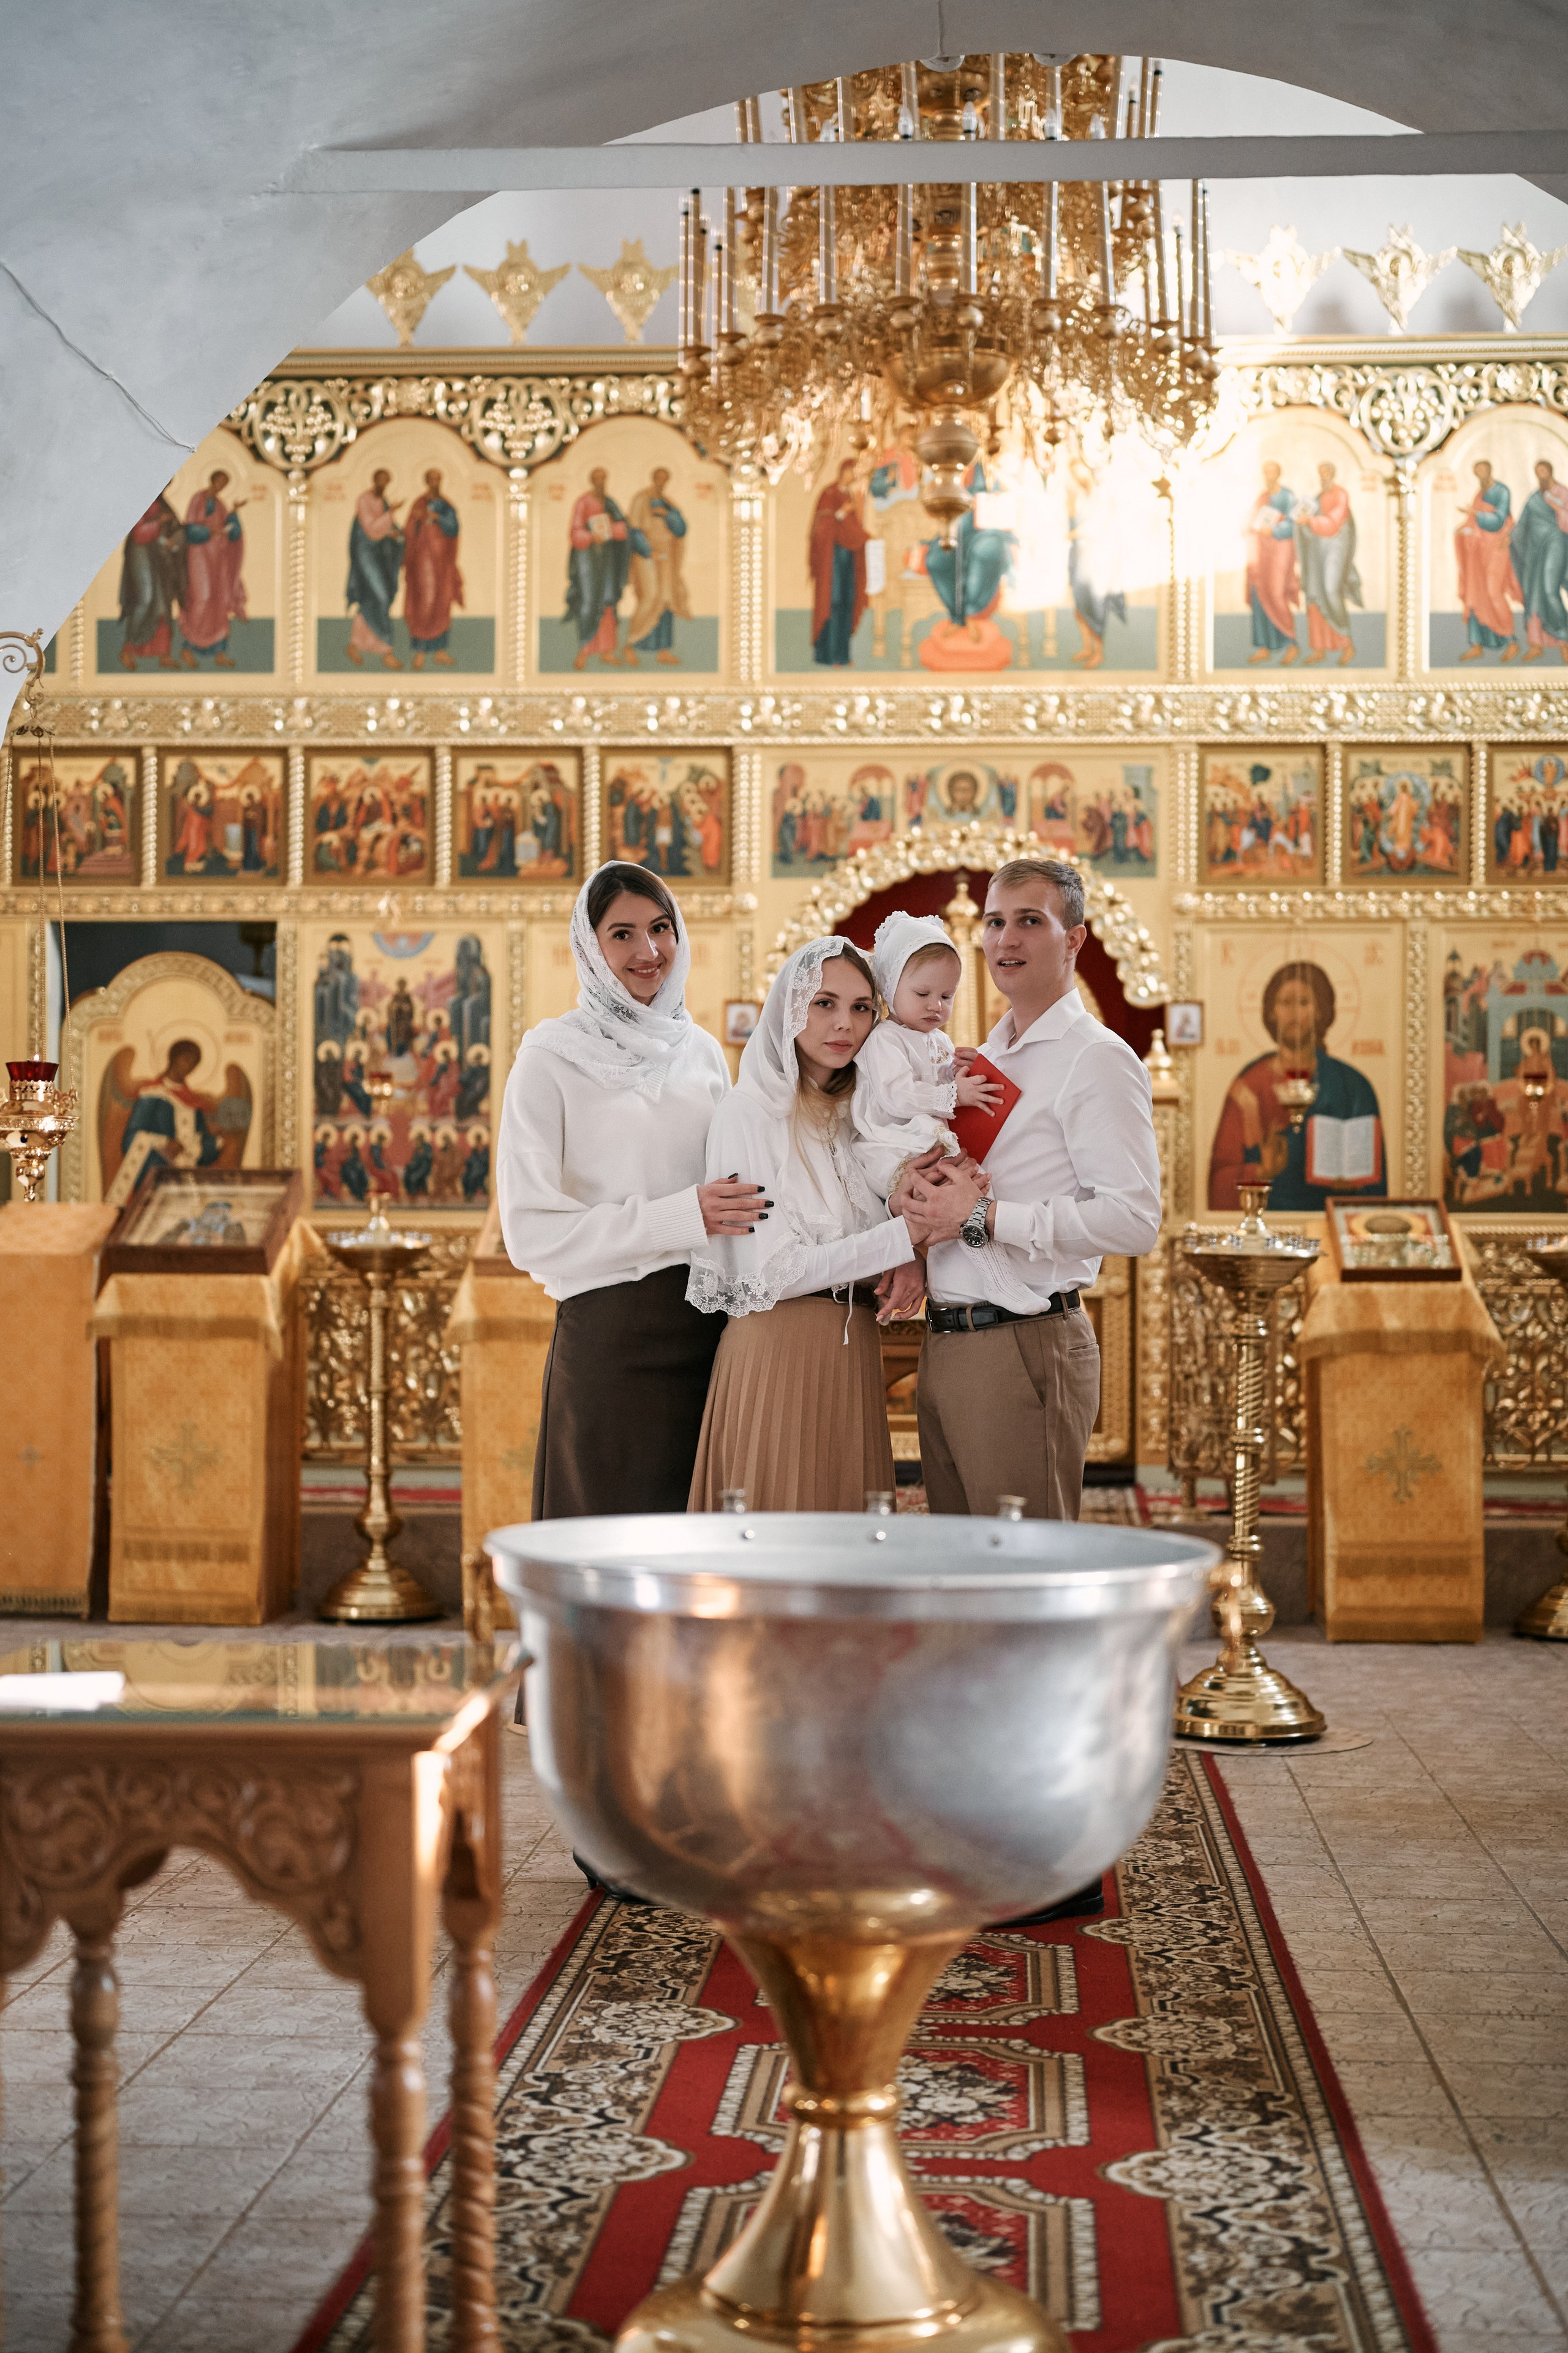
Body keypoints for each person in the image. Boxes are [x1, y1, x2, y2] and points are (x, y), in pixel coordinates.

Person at [893, 858, 1161, 1525]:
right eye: (994, 922)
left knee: (1024, 1580)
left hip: (1023, 1340)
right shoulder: (984, 1058)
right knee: (963, 1583)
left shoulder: (1093, 1057)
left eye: (1029, 922)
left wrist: (984, 1216)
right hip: (947, 1337)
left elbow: (1133, 1220)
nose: (1004, 940)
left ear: (1074, 940)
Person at [497, 861, 765, 1517]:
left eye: (661, 928)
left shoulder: (700, 1051)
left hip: (705, 1331)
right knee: (605, 1545)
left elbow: (737, 1187)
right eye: (622, 934)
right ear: (589, 949)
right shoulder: (549, 1058)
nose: (648, 952)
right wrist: (681, 1217)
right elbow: (529, 1233)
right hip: (610, 1338)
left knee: (692, 1557)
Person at [685, 939, 948, 1511]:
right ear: (790, 1007)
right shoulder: (748, 1113)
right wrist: (907, 1236)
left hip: (853, 1354)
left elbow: (885, 1216)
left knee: (846, 1563)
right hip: (778, 1354)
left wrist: (911, 1253)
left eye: (861, 1008)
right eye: (824, 1003)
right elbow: (774, 1272)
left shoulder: (864, 1117)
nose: (844, 1024)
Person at [1207, 961, 1387, 1212]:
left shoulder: (1352, 1085)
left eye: (1304, 1003)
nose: (1294, 1013)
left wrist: (1354, 1183)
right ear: (1271, 1011)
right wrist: (1262, 1170)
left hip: (1330, 1221)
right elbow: (1220, 1181)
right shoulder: (1248, 1089)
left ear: (1320, 1011)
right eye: (1285, 1003)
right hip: (1268, 1225)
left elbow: (1375, 1190)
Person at [566, 466, 639, 669]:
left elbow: (624, 529)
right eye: (597, 478)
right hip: (588, 563)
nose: (600, 482)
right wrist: (591, 536)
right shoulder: (583, 503)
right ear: (591, 480)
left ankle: (607, 651)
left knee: (608, 604)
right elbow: (575, 532)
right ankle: (584, 651)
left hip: (608, 562)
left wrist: (612, 530)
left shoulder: (610, 504)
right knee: (589, 604)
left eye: (603, 478)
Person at [179, 468, 248, 667]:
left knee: (219, 601)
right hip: (199, 558)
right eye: (220, 482)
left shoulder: (220, 505)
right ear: (213, 480)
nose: (222, 486)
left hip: (218, 560)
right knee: (203, 598)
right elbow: (189, 530)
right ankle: (187, 648)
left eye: (225, 484)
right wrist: (211, 531)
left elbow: (232, 532)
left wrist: (234, 514)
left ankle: (219, 653)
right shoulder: (198, 500)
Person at [1295, 461, 1361, 665]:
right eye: (1320, 473)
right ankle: (1319, 649)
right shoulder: (1317, 499)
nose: (1323, 477)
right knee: (1314, 595)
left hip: (1334, 550)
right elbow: (1307, 529)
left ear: (1333, 474)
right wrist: (1302, 524)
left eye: (1326, 473)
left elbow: (1333, 523)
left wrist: (1311, 522)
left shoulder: (1341, 495)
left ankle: (1347, 645)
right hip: (1316, 551)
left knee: (1331, 591)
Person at [624, 466, 690, 663]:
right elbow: (634, 530)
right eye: (659, 478)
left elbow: (681, 529)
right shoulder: (641, 499)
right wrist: (648, 551)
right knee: (650, 596)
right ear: (653, 479)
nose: (662, 482)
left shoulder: (668, 503)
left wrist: (667, 515)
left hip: (667, 556)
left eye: (665, 479)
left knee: (667, 598)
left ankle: (663, 650)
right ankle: (631, 644)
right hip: (647, 556)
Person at [1455, 458, 1518, 660]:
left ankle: (1512, 641)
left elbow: (1499, 521)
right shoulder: (1479, 495)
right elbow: (1473, 523)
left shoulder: (1502, 491)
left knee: (1493, 593)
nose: (1480, 475)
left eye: (1482, 471)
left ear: (1489, 471)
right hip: (1479, 550)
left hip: (1498, 548)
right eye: (1476, 472)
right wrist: (1463, 530)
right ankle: (1476, 645)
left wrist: (1475, 514)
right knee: (1475, 594)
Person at [809, 460, 869, 666]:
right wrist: (842, 513)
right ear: (844, 472)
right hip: (832, 559)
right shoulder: (830, 493)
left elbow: (853, 529)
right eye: (852, 472)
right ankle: (829, 656)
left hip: (848, 558)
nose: (853, 476)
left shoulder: (849, 495)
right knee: (833, 604)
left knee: (846, 604)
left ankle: (843, 656)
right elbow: (822, 524)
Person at [403, 467, 463, 668]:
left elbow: (454, 528)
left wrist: (439, 518)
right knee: (424, 602)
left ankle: (440, 651)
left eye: (438, 479)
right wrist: (419, 519)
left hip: (443, 561)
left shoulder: (446, 506)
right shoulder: (419, 504)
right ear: (426, 481)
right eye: (432, 479)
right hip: (423, 560)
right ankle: (420, 652)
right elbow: (410, 530)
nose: (435, 482)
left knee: (441, 601)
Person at [345, 469, 404, 668]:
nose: (383, 484)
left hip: (379, 555)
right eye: (381, 480)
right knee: (382, 596)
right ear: (374, 480)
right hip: (365, 554)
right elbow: (371, 530)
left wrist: (396, 534)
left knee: (372, 598)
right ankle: (387, 651)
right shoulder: (364, 499)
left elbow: (386, 528)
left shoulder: (383, 501)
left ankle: (354, 644)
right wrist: (391, 513)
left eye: (387, 481)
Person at [1511, 459, 1568, 661]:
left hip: (1556, 544)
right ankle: (1536, 645)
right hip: (1534, 552)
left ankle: (1565, 640)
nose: (1541, 475)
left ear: (1550, 471)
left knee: (1549, 590)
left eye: (1543, 471)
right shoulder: (1535, 498)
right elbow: (1522, 524)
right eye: (1537, 472)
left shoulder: (1563, 493)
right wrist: (1509, 538)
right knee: (1533, 595)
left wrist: (1558, 509)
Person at [1245, 460, 1299, 664]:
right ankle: (1264, 647)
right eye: (1266, 473)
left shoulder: (1287, 496)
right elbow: (1251, 520)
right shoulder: (1262, 497)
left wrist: (1275, 530)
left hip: (1280, 551)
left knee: (1276, 595)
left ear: (1278, 474)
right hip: (1262, 552)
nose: (1269, 477)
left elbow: (1294, 524)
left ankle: (1292, 644)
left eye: (1272, 473)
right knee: (1259, 594)